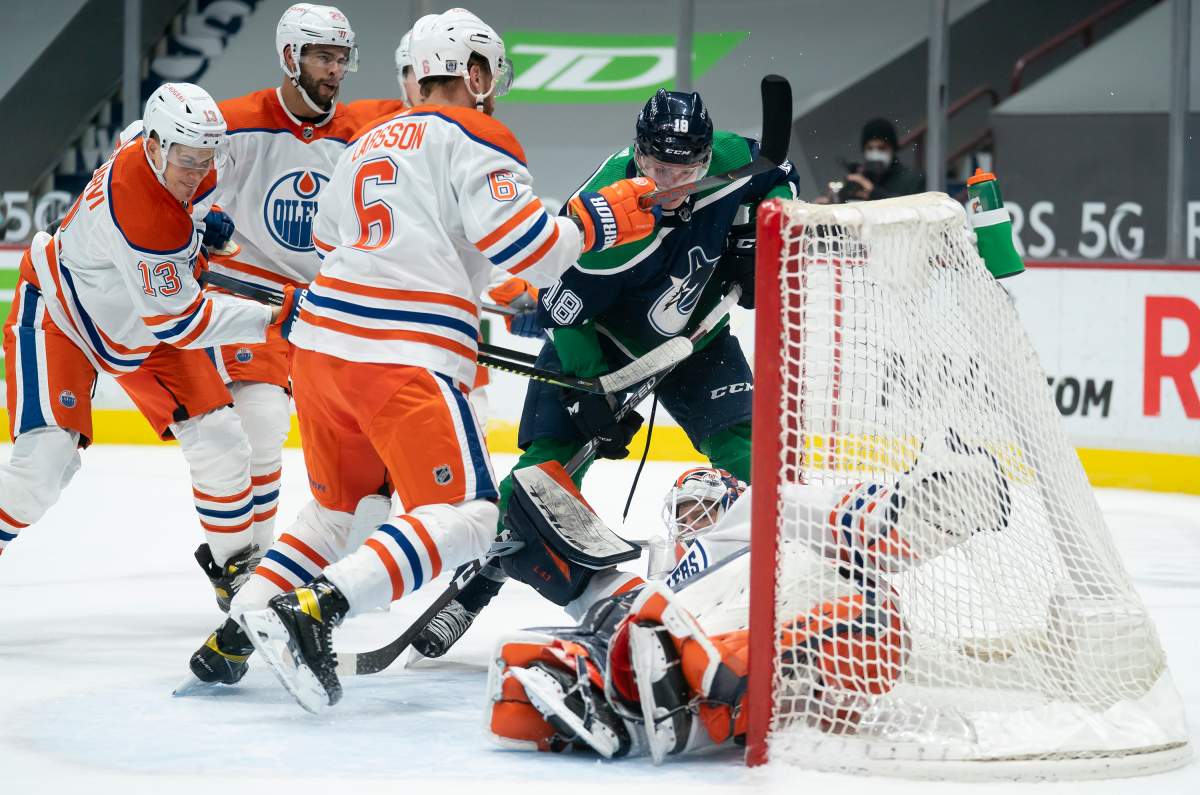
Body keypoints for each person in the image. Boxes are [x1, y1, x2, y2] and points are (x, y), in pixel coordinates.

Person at [227, 8, 659, 713]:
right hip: (398, 352)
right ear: (475, 72)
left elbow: (356, 241)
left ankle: (237, 627)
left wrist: (498, 290)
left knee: (342, 508)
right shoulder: (478, 131)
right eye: (490, 73)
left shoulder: (368, 142)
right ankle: (315, 610)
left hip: (319, 350)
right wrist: (598, 218)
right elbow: (532, 247)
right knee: (467, 515)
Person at [409, 88, 800, 661]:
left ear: (706, 156)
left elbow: (779, 172)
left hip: (696, 341)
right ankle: (480, 581)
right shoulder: (605, 211)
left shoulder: (730, 158)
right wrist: (595, 390)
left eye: (687, 168)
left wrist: (758, 236)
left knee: (757, 455)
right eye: (658, 167)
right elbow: (563, 312)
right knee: (544, 475)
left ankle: (800, 573)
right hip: (598, 345)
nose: (672, 183)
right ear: (638, 154)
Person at [484, 430, 1012, 761]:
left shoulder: (760, 517)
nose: (693, 520)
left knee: (870, 620)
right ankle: (612, 685)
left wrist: (909, 504)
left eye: (703, 507)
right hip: (701, 641)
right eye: (685, 511)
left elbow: (850, 524)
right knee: (870, 620)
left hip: (743, 640)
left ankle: (640, 695)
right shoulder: (676, 572)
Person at [179, 2, 408, 683]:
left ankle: (280, 567)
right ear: (289, 57)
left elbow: (435, 125)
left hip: (325, 311)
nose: (334, 70)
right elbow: (174, 187)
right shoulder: (234, 123)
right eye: (322, 57)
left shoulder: (363, 126)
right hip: (253, 303)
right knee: (258, 421)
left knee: (348, 483)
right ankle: (249, 561)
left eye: (341, 59)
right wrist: (197, 234)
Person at [0, 83, 285, 603]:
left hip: (136, 321)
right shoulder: (141, 207)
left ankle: (238, 583)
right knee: (44, 465)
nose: (197, 173)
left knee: (221, 439)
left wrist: (200, 223)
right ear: (154, 146)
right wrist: (273, 317)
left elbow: (181, 223)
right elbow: (183, 321)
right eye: (186, 161)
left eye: (205, 160)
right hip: (64, 315)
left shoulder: (169, 154)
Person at [822, 117, 924, 203]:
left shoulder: (913, 179)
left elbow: (911, 210)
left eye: (882, 148)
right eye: (870, 148)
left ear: (892, 149)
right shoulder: (859, 177)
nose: (875, 153)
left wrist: (873, 192)